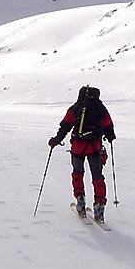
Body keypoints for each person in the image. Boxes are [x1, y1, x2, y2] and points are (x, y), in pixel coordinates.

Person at [48, 85, 116, 223]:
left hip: (78, 147)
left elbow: (65, 126)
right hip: (95, 147)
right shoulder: (101, 109)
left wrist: (56, 140)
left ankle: (80, 200)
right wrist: (110, 136)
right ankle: (100, 206)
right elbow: (108, 126)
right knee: (97, 176)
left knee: (78, 173)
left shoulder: (76, 108)